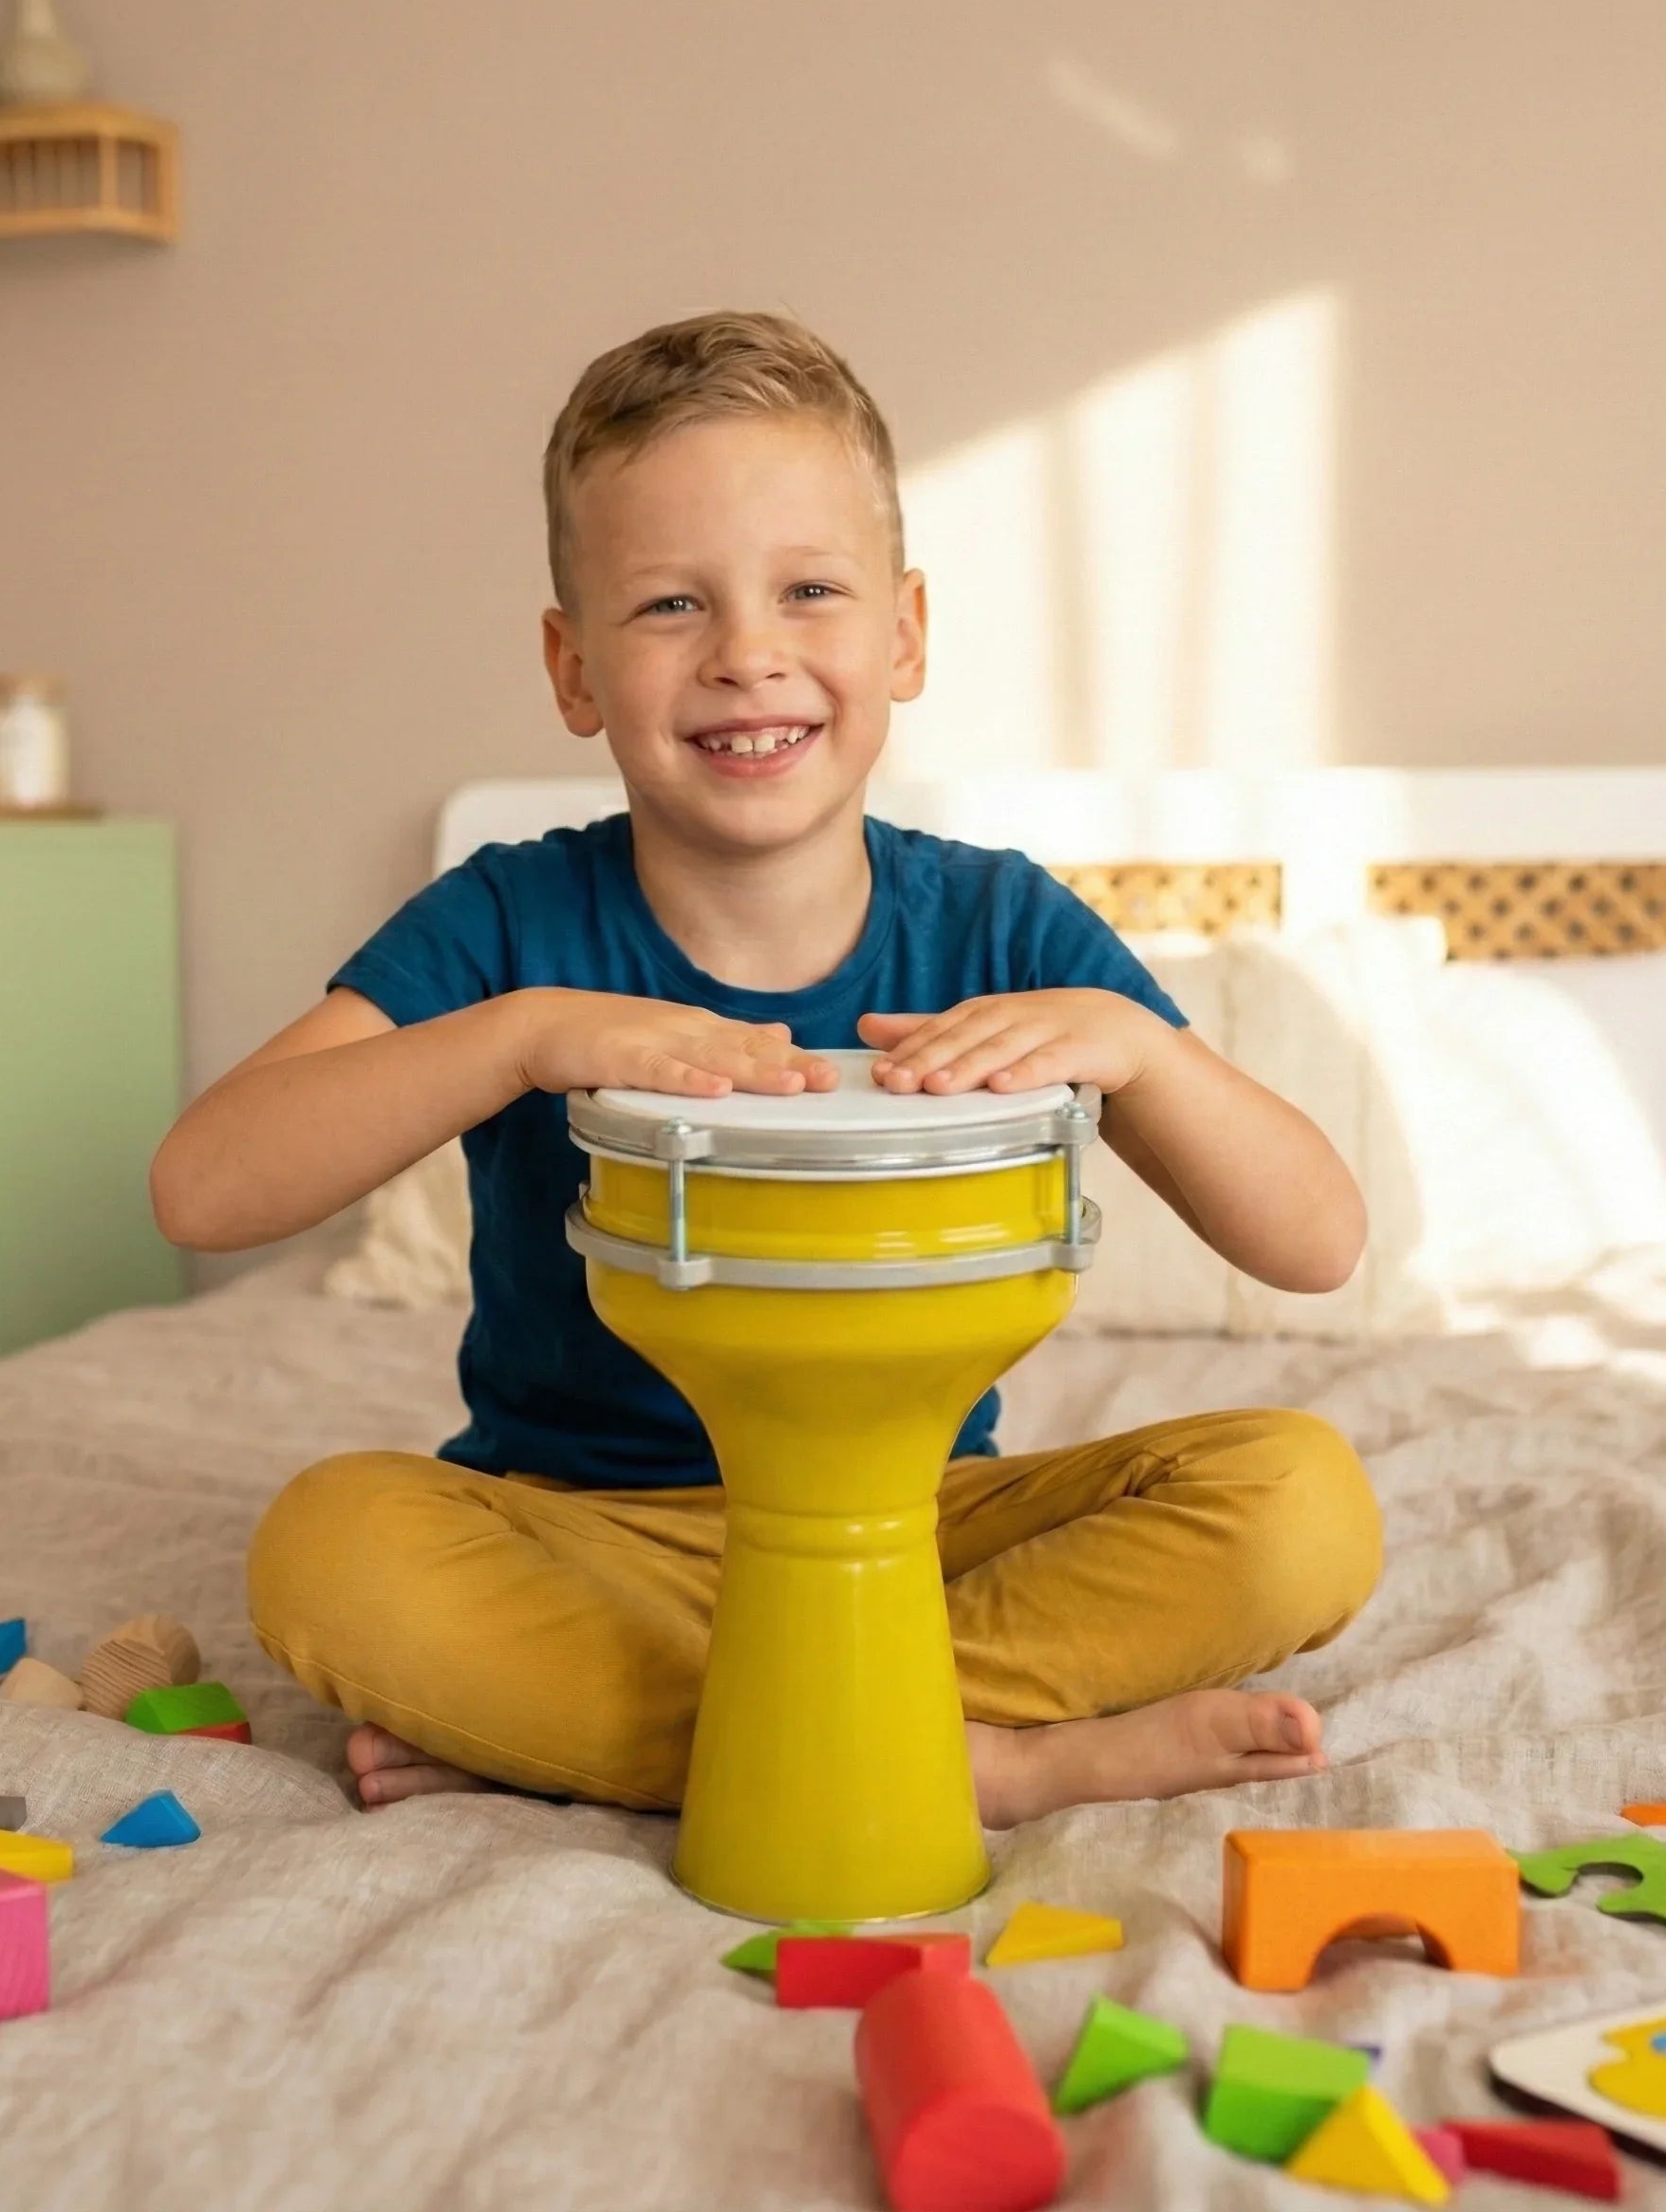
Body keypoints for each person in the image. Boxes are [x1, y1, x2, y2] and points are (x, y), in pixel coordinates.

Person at [150, 309, 1382, 1831]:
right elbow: (204, 1187)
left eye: (810, 590)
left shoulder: (999, 921)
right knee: (329, 1551)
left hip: (916, 1529)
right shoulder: (508, 918)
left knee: (1301, 1500)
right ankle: (974, 1752)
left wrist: (1135, 1047)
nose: (748, 655)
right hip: (582, 1537)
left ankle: (671, 1734)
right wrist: (522, 1034)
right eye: (670, 604)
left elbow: (1318, 1242)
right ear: (572, 663)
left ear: (905, 633)